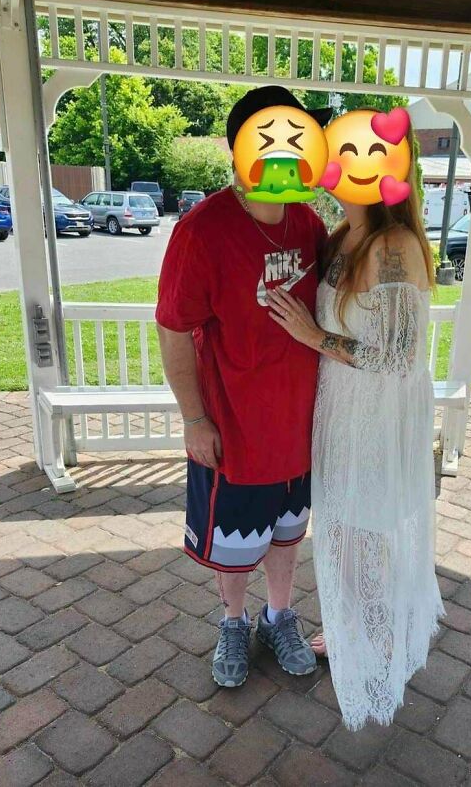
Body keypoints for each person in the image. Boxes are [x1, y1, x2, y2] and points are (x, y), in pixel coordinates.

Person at [267, 128, 445, 729]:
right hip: (341, 406)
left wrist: (312, 337)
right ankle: (350, 626)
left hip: (377, 412)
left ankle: (376, 644)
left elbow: (398, 355)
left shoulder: (394, 246)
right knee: (340, 530)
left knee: (366, 534)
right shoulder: (344, 232)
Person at [155, 85, 332, 688]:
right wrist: (193, 419)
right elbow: (174, 329)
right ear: (238, 151)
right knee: (233, 541)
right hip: (232, 429)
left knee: (287, 534)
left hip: (299, 428)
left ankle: (277, 615)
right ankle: (233, 620)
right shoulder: (202, 230)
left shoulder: (309, 223)